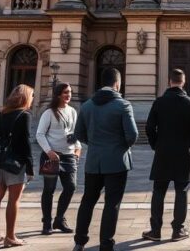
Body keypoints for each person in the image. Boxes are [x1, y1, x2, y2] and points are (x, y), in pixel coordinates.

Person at [72, 67, 139, 251]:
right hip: (117, 162)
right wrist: (120, 147)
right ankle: (106, 244)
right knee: (112, 203)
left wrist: (94, 144)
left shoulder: (86, 106)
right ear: (117, 83)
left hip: (93, 161)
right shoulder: (123, 105)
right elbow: (132, 135)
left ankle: (79, 241)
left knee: (87, 201)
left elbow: (79, 133)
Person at [142, 68, 190, 242]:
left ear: (169, 81)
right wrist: (187, 141)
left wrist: (156, 144)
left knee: (158, 191)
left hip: (163, 152)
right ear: (183, 82)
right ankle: (178, 230)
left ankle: (155, 231)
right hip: (184, 153)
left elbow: (148, 128)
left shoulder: (159, 102)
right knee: (181, 191)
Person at [0, 84, 35, 247]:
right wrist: (30, 167)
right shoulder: (24, 115)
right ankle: (10, 237)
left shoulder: (3, 113)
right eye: (32, 96)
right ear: (26, 97)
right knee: (13, 200)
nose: (33, 99)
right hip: (15, 163)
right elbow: (25, 143)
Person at [36, 81, 80, 236]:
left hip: (69, 156)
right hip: (51, 157)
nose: (68, 95)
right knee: (49, 190)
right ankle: (46, 222)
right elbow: (39, 134)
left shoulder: (73, 111)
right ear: (58, 94)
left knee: (71, 187)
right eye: (65, 92)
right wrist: (49, 151)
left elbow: (74, 132)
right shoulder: (49, 113)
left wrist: (78, 148)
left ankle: (59, 219)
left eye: (70, 92)